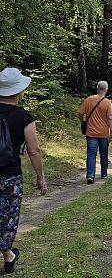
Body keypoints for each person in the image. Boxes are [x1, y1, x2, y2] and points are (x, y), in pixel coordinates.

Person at [0, 68, 47, 274]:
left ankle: (9, 255)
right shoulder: (24, 117)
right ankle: (8, 256)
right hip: (10, 175)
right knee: (8, 214)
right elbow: (34, 150)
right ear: (19, 91)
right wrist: (40, 177)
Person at [78, 81, 112, 184]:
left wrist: (83, 122)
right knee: (104, 154)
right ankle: (103, 174)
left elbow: (80, 113)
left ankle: (90, 175)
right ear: (106, 90)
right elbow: (110, 118)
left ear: (97, 88)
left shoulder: (89, 100)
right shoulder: (107, 102)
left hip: (91, 133)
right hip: (103, 133)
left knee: (91, 154)